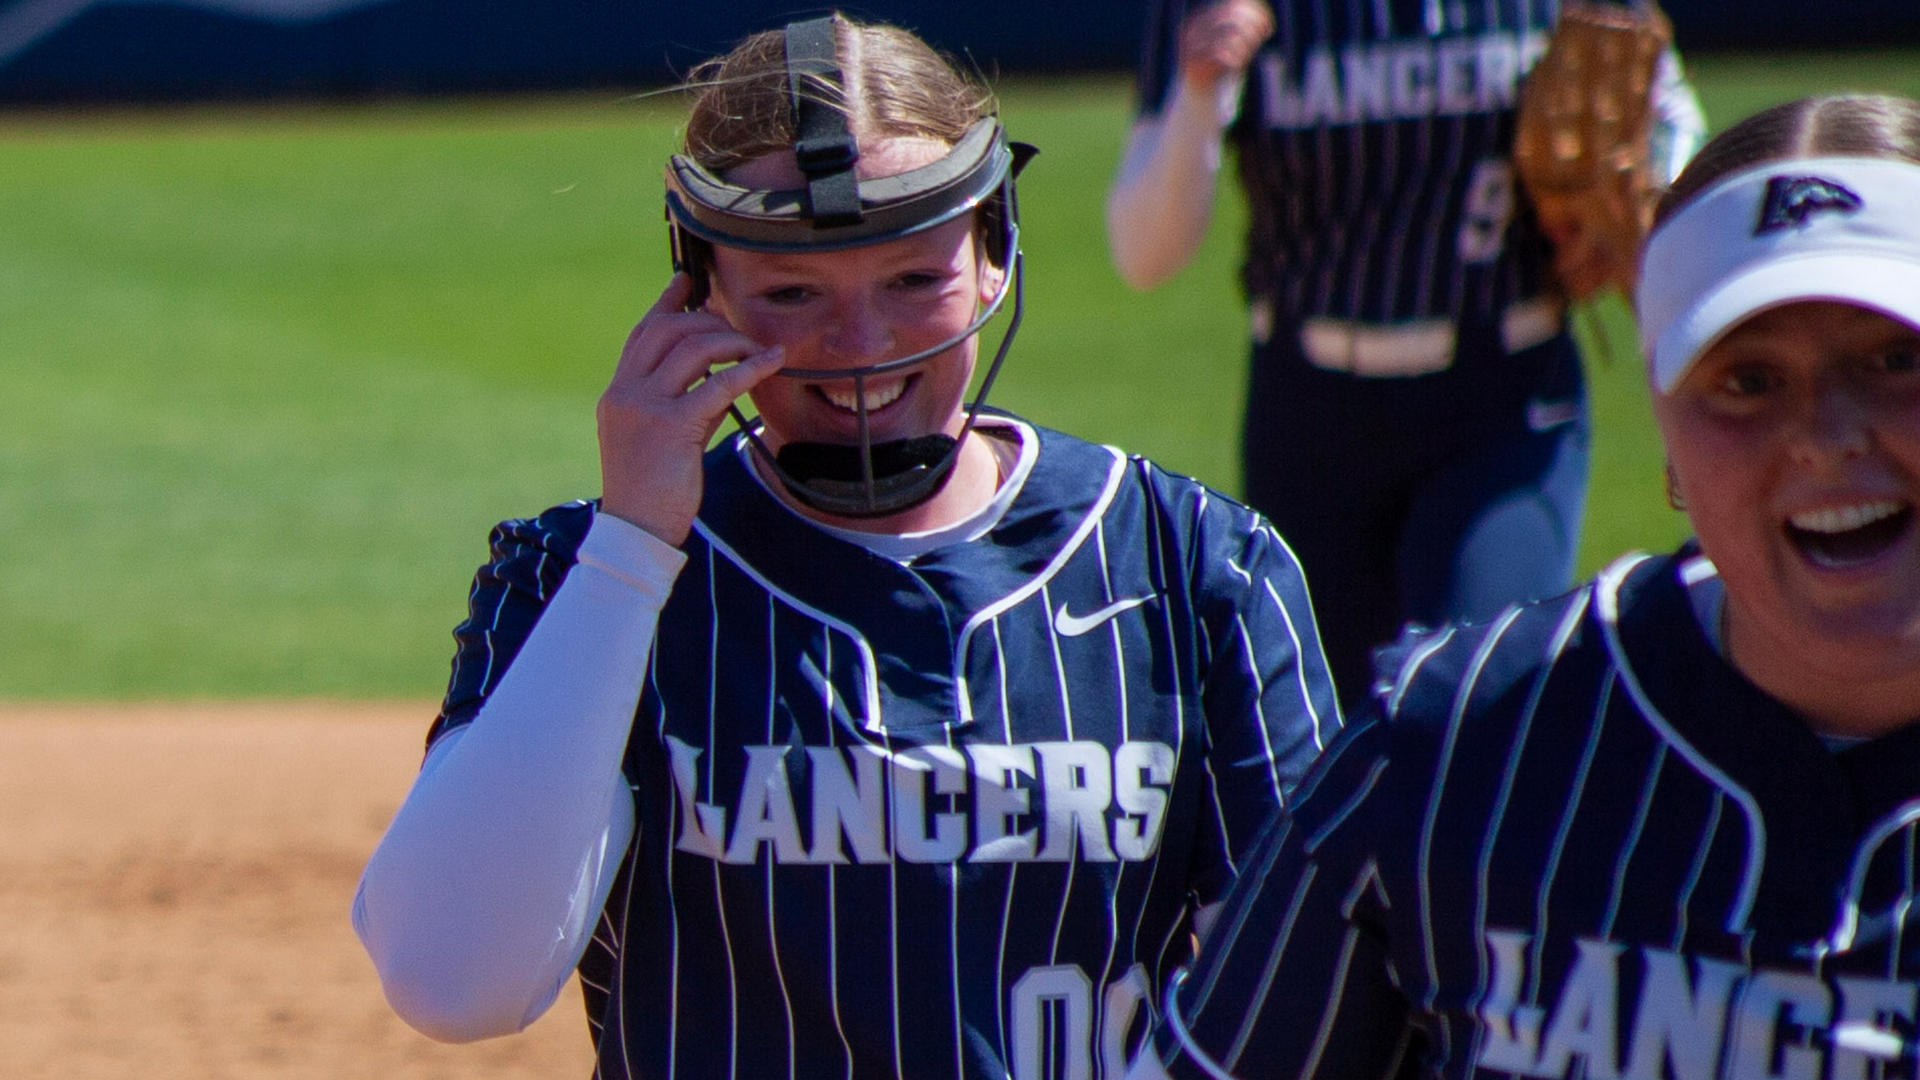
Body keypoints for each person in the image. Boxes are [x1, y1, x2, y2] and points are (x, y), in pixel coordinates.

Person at [352, 14, 1341, 1080]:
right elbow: (453, 980)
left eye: (914, 280)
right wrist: (632, 549)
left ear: (992, 251)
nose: (862, 346)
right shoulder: (576, 577)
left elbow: (1317, 997)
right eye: (791, 293)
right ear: (700, 288)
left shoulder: (1194, 564)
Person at [1127, 92, 1920, 1080]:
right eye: (1749, 380)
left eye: (1898, 359)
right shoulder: (1454, 746)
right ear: (1668, 443)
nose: (1831, 433)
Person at [1107, 0, 1706, 708]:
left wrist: (1645, 197)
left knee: (1477, 699)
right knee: (1321, 719)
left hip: (1503, 398)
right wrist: (1200, 95)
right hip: (1311, 414)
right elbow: (1144, 254)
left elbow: (1672, 124)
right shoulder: (1221, 11)